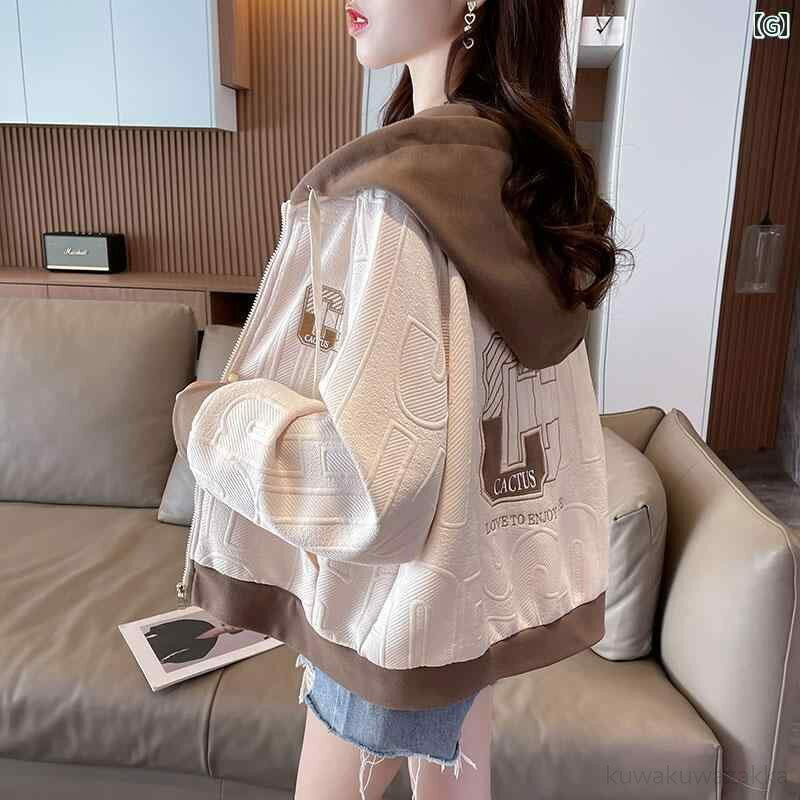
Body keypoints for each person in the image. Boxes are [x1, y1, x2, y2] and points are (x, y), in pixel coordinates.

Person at [172, 1, 632, 798]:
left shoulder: (397, 200)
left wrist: (208, 420)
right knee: (457, 783)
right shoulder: (519, 181)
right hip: (462, 593)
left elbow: (371, 482)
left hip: (386, 604)